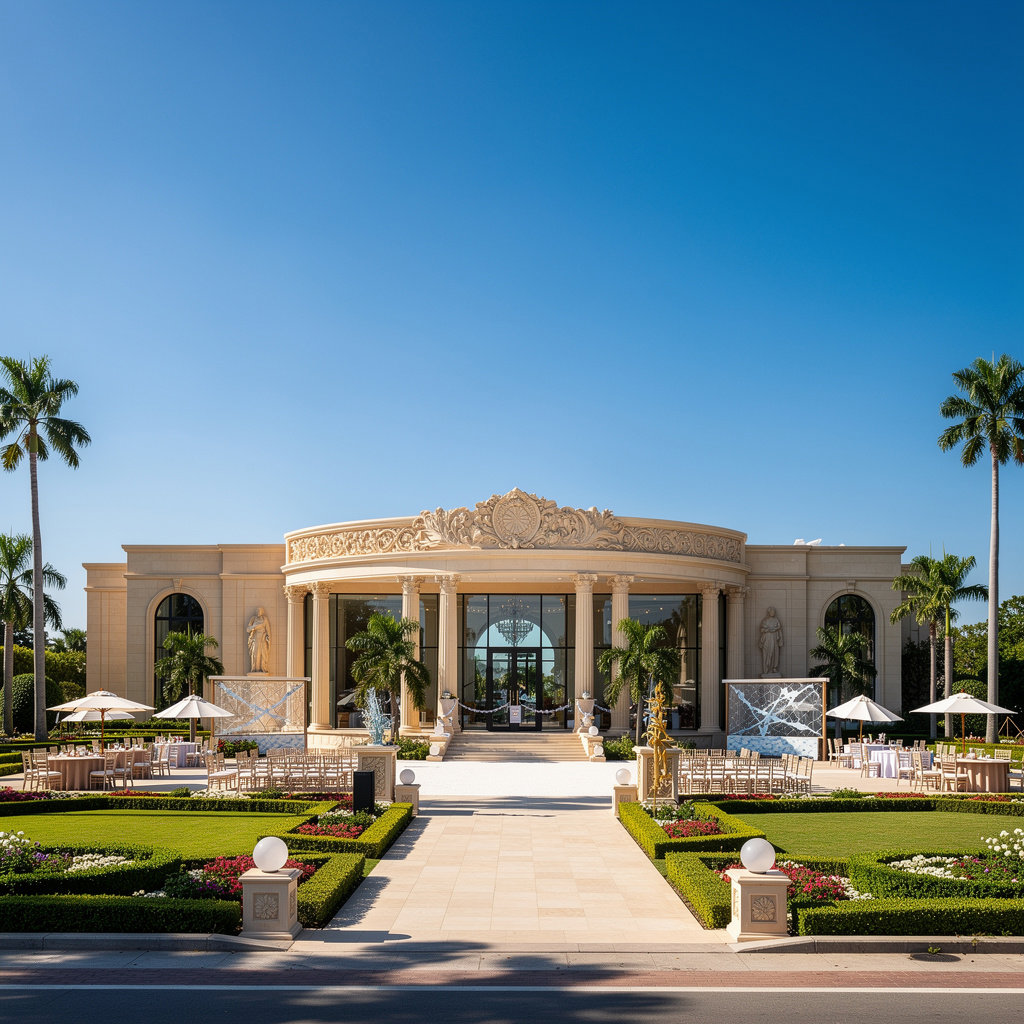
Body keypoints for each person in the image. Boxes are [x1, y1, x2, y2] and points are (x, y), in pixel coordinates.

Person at [758, 606, 783, 675]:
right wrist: (768, 630)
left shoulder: (776, 620)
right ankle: (766, 668)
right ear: (769, 612)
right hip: (767, 639)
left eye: (774, 611)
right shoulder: (765, 621)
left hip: (774, 639)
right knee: (767, 654)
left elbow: (779, 629)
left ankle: (774, 668)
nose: (773, 613)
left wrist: (780, 640)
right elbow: (762, 629)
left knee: (775, 654)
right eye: (772, 611)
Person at [247, 607, 271, 673]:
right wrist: (254, 627)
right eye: (257, 611)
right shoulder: (253, 619)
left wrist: (268, 637)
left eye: (260, 611)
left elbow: (268, 630)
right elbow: (248, 629)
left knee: (264, 653)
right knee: (255, 654)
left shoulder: (265, 619)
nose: (258, 612)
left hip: (263, 637)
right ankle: (255, 669)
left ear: (262, 612)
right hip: (255, 638)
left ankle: (263, 668)